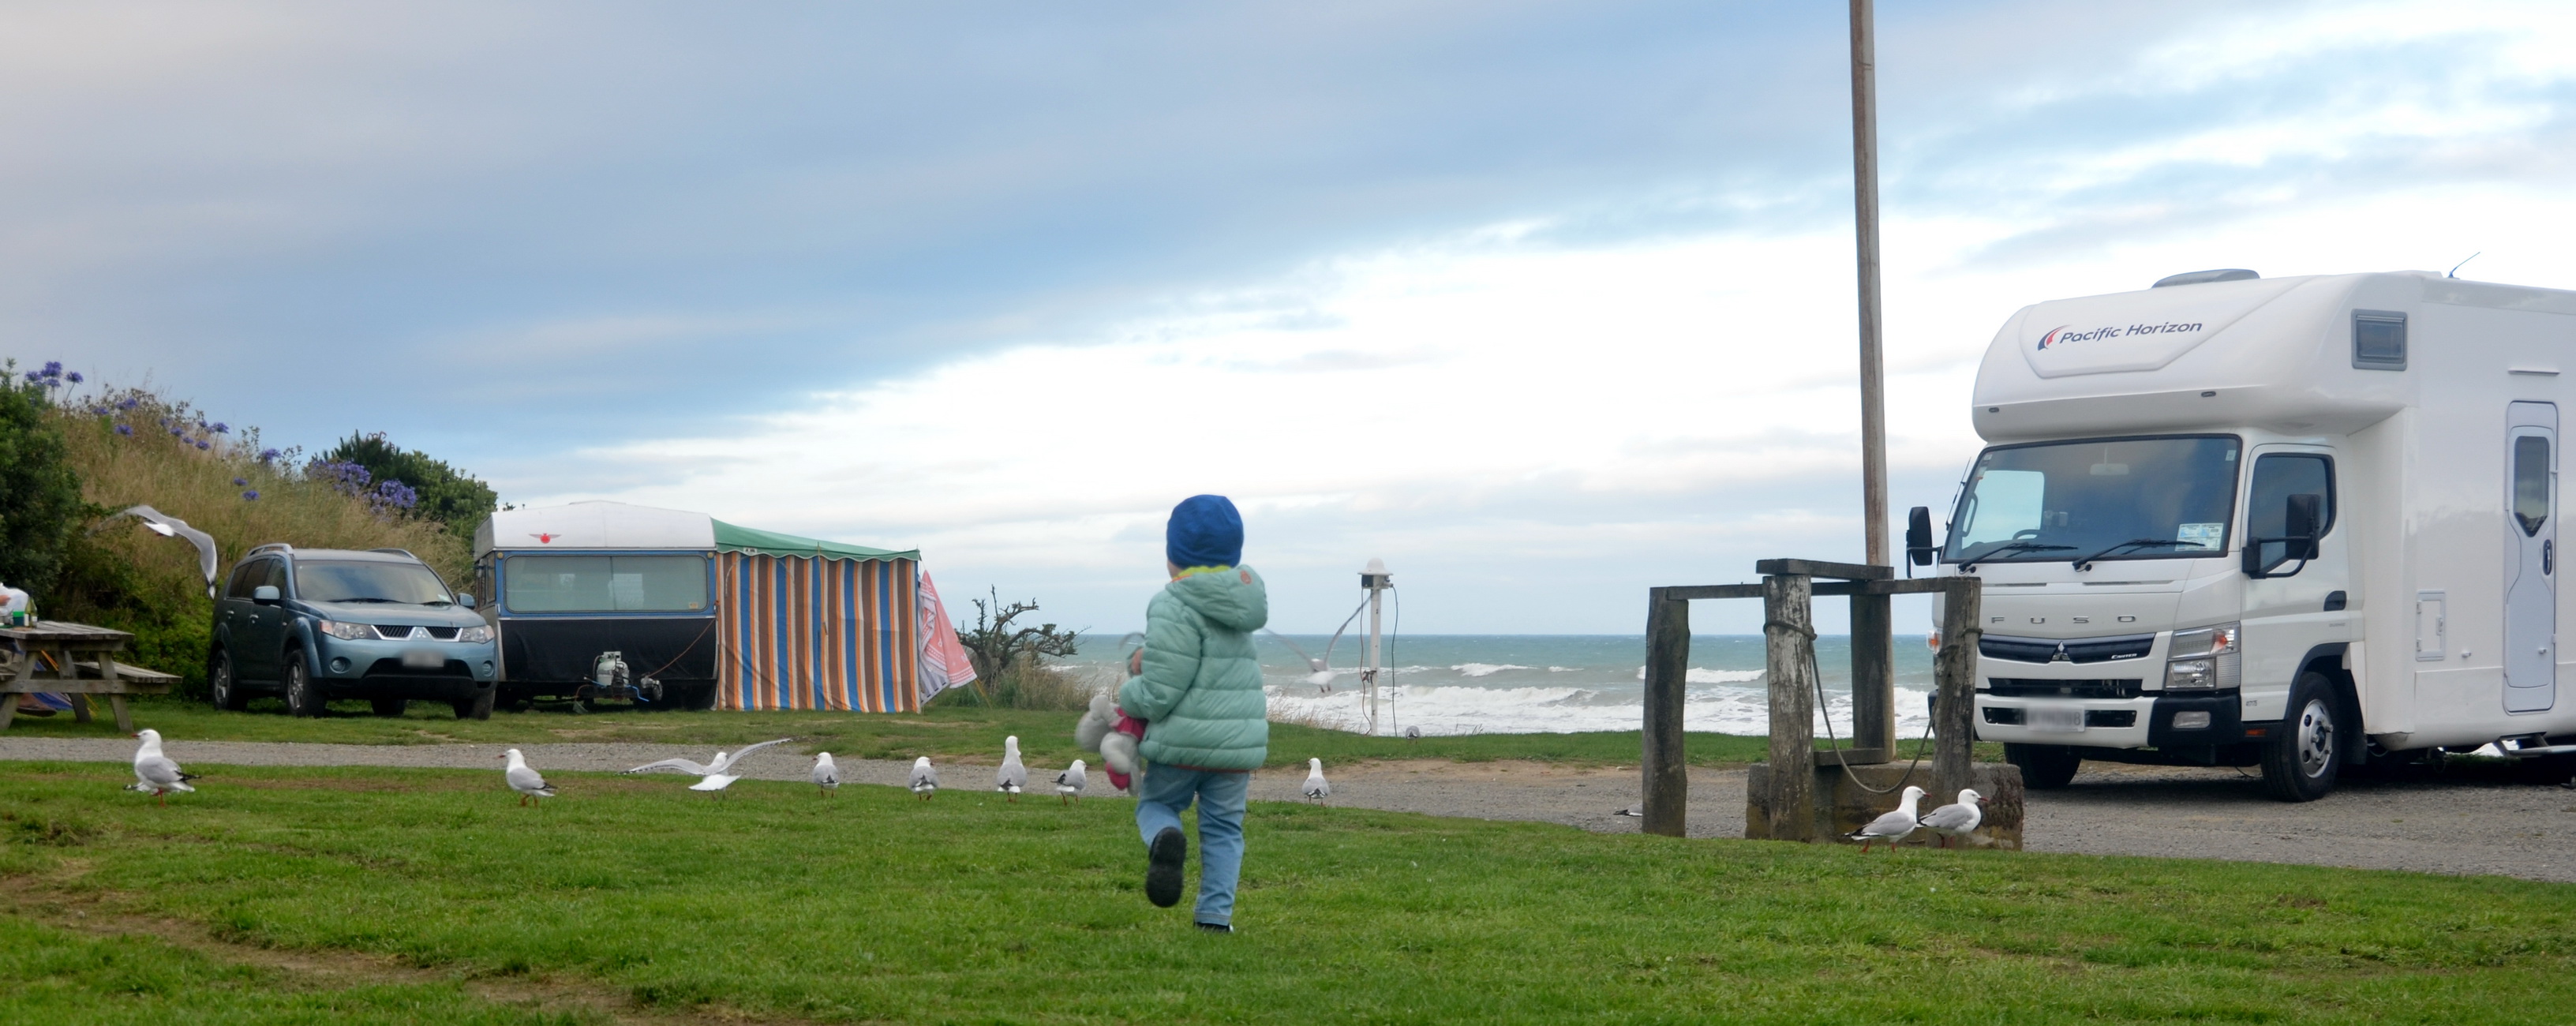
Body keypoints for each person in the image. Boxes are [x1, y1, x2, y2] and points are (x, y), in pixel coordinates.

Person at [1120, 494, 1267, 934]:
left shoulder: (1172, 603)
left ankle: (1166, 839)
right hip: (1235, 747)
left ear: (1173, 558)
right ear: (1234, 552)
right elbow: (1212, 661)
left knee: (1157, 804)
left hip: (1181, 743)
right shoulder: (1242, 605)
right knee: (1224, 830)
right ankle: (1214, 919)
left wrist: (1129, 696)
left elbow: (1164, 688)